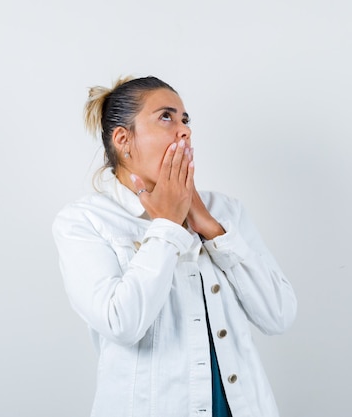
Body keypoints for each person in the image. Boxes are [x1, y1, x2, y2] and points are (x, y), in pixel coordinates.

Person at [52, 75, 297, 417]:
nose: (184, 130)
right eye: (166, 117)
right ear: (124, 139)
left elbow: (279, 315)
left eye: (185, 120)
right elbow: (121, 322)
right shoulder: (85, 221)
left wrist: (211, 228)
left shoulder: (226, 211)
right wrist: (167, 226)